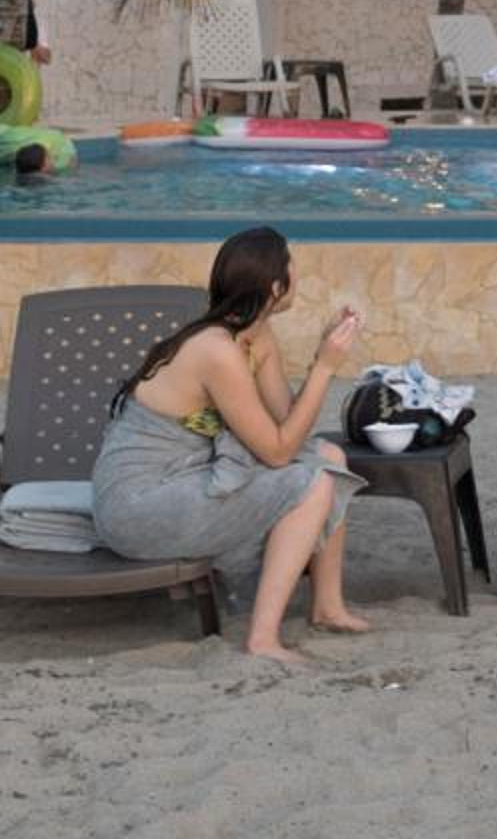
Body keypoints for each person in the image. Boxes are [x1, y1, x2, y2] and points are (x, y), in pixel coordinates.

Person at [91, 227, 366, 665]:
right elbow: (278, 453)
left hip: (184, 479)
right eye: (292, 265)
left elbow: (287, 425)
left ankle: (327, 606)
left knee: (330, 456)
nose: (297, 273)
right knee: (312, 483)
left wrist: (321, 354)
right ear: (276, 287)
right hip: (137, 506)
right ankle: (263, 639)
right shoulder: (216, 350)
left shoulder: (256, 336)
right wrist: (324, 369)